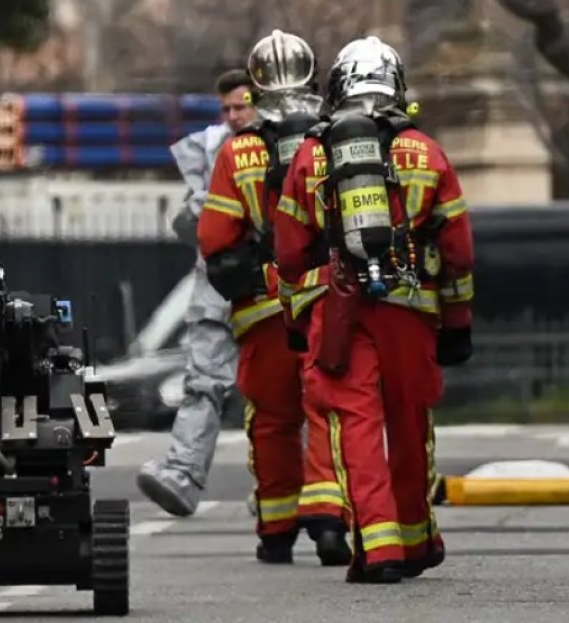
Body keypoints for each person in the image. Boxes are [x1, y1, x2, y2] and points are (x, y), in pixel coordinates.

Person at [274, 36, 475, 583]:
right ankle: (416, 538)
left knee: (355, 426)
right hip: (410, 309)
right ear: (396, 86)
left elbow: (290, 252)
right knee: (409, 422)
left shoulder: (312, 155)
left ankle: (379, 548)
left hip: (337, 310)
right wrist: (457, 324)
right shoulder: (427, 152)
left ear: (337, 88)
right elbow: (457, 251)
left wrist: (298, 321)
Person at [196, 30, 352, 566]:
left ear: (255, 86)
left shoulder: (237, 152)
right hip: (328, 298)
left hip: (264, 307)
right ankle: (330, 521)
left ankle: (277, 527)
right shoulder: (335, 139)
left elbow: (216, 240)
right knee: (329, 408)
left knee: (271, 417)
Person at [137, 69, 257, 517]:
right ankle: (183, 474)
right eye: (226, 108)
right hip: (219, 282)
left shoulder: (278, 145)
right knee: (202, 381)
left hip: (268, 283)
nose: (233, 115)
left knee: (282, 392)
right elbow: (193, 226)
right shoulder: (211, 148)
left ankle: (289, 490)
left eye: (241, 105)